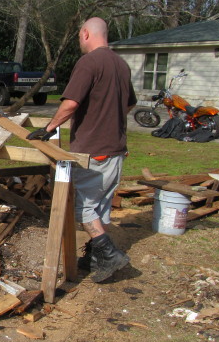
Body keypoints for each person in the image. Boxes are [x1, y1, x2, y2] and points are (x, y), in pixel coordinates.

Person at [27, 17, 137, 283]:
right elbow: (129, 105)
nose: (80, 41)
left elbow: (71, 103)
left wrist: (50, 127)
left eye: (79, 37)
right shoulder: (121, 65)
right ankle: (95, 257)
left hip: (92, 150)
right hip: (116, 150)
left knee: (83, 208)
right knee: (101, 206)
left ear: (86, 34)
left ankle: (109, 254)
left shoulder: (89, 63)